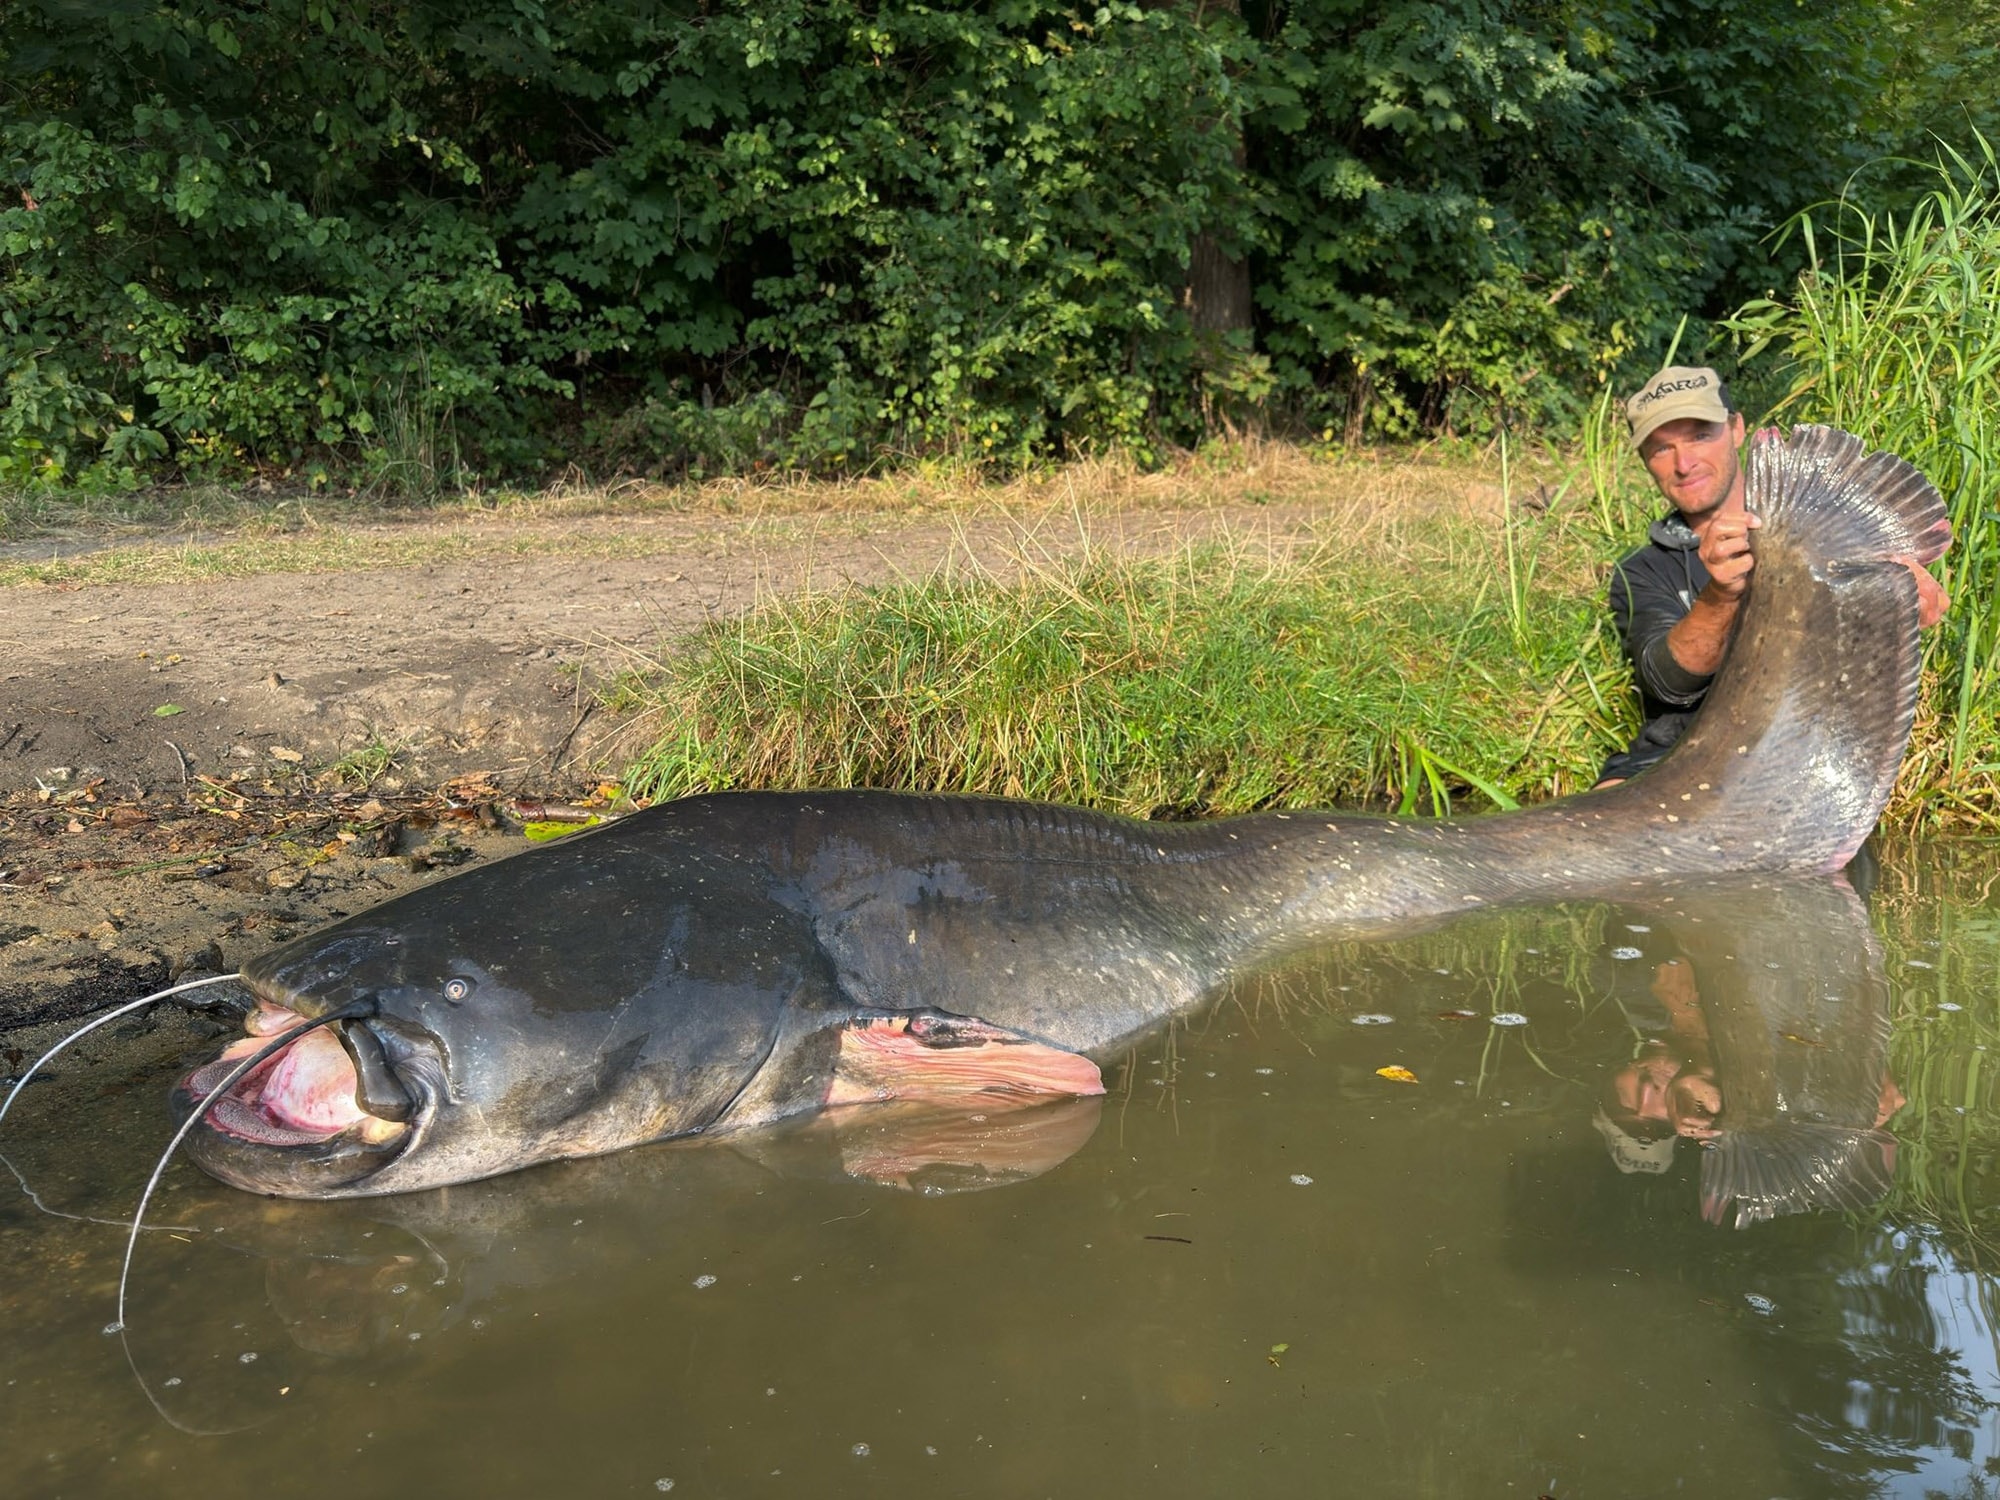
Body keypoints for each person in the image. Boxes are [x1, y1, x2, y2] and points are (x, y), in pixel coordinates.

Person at [1596, 365, 1950, 785]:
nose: (1684, 463)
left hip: (1806, 755)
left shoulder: (1826, 525)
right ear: (1644, 462)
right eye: (1660, 448)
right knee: (1598, 808)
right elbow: (1666, 683)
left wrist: (1899, 596)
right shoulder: (1643, 569)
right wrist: (1720, 596)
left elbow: (1918, 612)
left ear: (1737, 428)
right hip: (1676, 760)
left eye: (1699, 435)